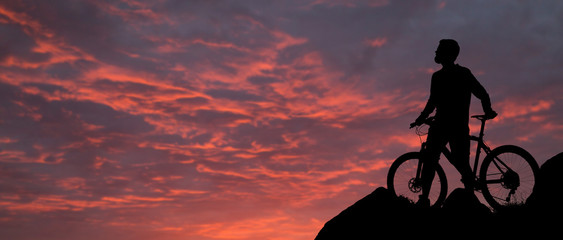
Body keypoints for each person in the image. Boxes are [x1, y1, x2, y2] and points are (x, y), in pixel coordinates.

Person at [410, 39, 498, 206]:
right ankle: (467, 198)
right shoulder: (455, 74)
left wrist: (421, 118)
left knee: (434, 161)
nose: (435, 53)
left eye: (438, 50)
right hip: (452, 125)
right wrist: (488, 110)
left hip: (447, 125)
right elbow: (482, 94)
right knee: (455, 161)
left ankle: (425, 199)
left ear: (447, 54)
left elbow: (432, 102)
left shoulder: (447, 76)